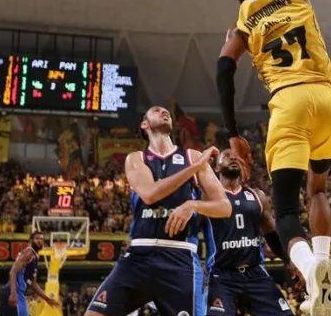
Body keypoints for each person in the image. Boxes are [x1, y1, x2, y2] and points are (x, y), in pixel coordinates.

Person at [216, 0, 331, 314]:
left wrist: (233, 133)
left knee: (286, 210)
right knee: (318, 188)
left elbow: (223, 70)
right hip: (330, 99)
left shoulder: (242, 23)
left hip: (289, 104)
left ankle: (311, 271)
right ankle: (322, 287)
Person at [85, 106, 231, 316]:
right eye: (156, 110)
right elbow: (150, 194)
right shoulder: (136, 158)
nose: (164, 112)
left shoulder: (192, 156)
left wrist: (193, 205)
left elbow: (224, 207)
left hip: (179, 255)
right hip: (138, 255)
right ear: (144, 124)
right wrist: (195, 167)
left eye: (166, 112)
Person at [204, 149, 293, 316]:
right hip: (222, 276)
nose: (233, 158)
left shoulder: (257, 196)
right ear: (216, 167)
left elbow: (271, 235)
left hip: (255, 273)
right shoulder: (207, 197)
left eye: (235, 156)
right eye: (227, 156)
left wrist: (289, 260)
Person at [0, 232, 59, 316]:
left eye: (41, 239)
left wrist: (47, 299)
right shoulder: (28, 252)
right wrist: (13, 293)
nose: (39, 241)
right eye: (37, 238)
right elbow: (13, 272)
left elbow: (33, 284)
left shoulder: (35, 257)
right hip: (13, 292)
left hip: (19, 293)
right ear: (31, 240)